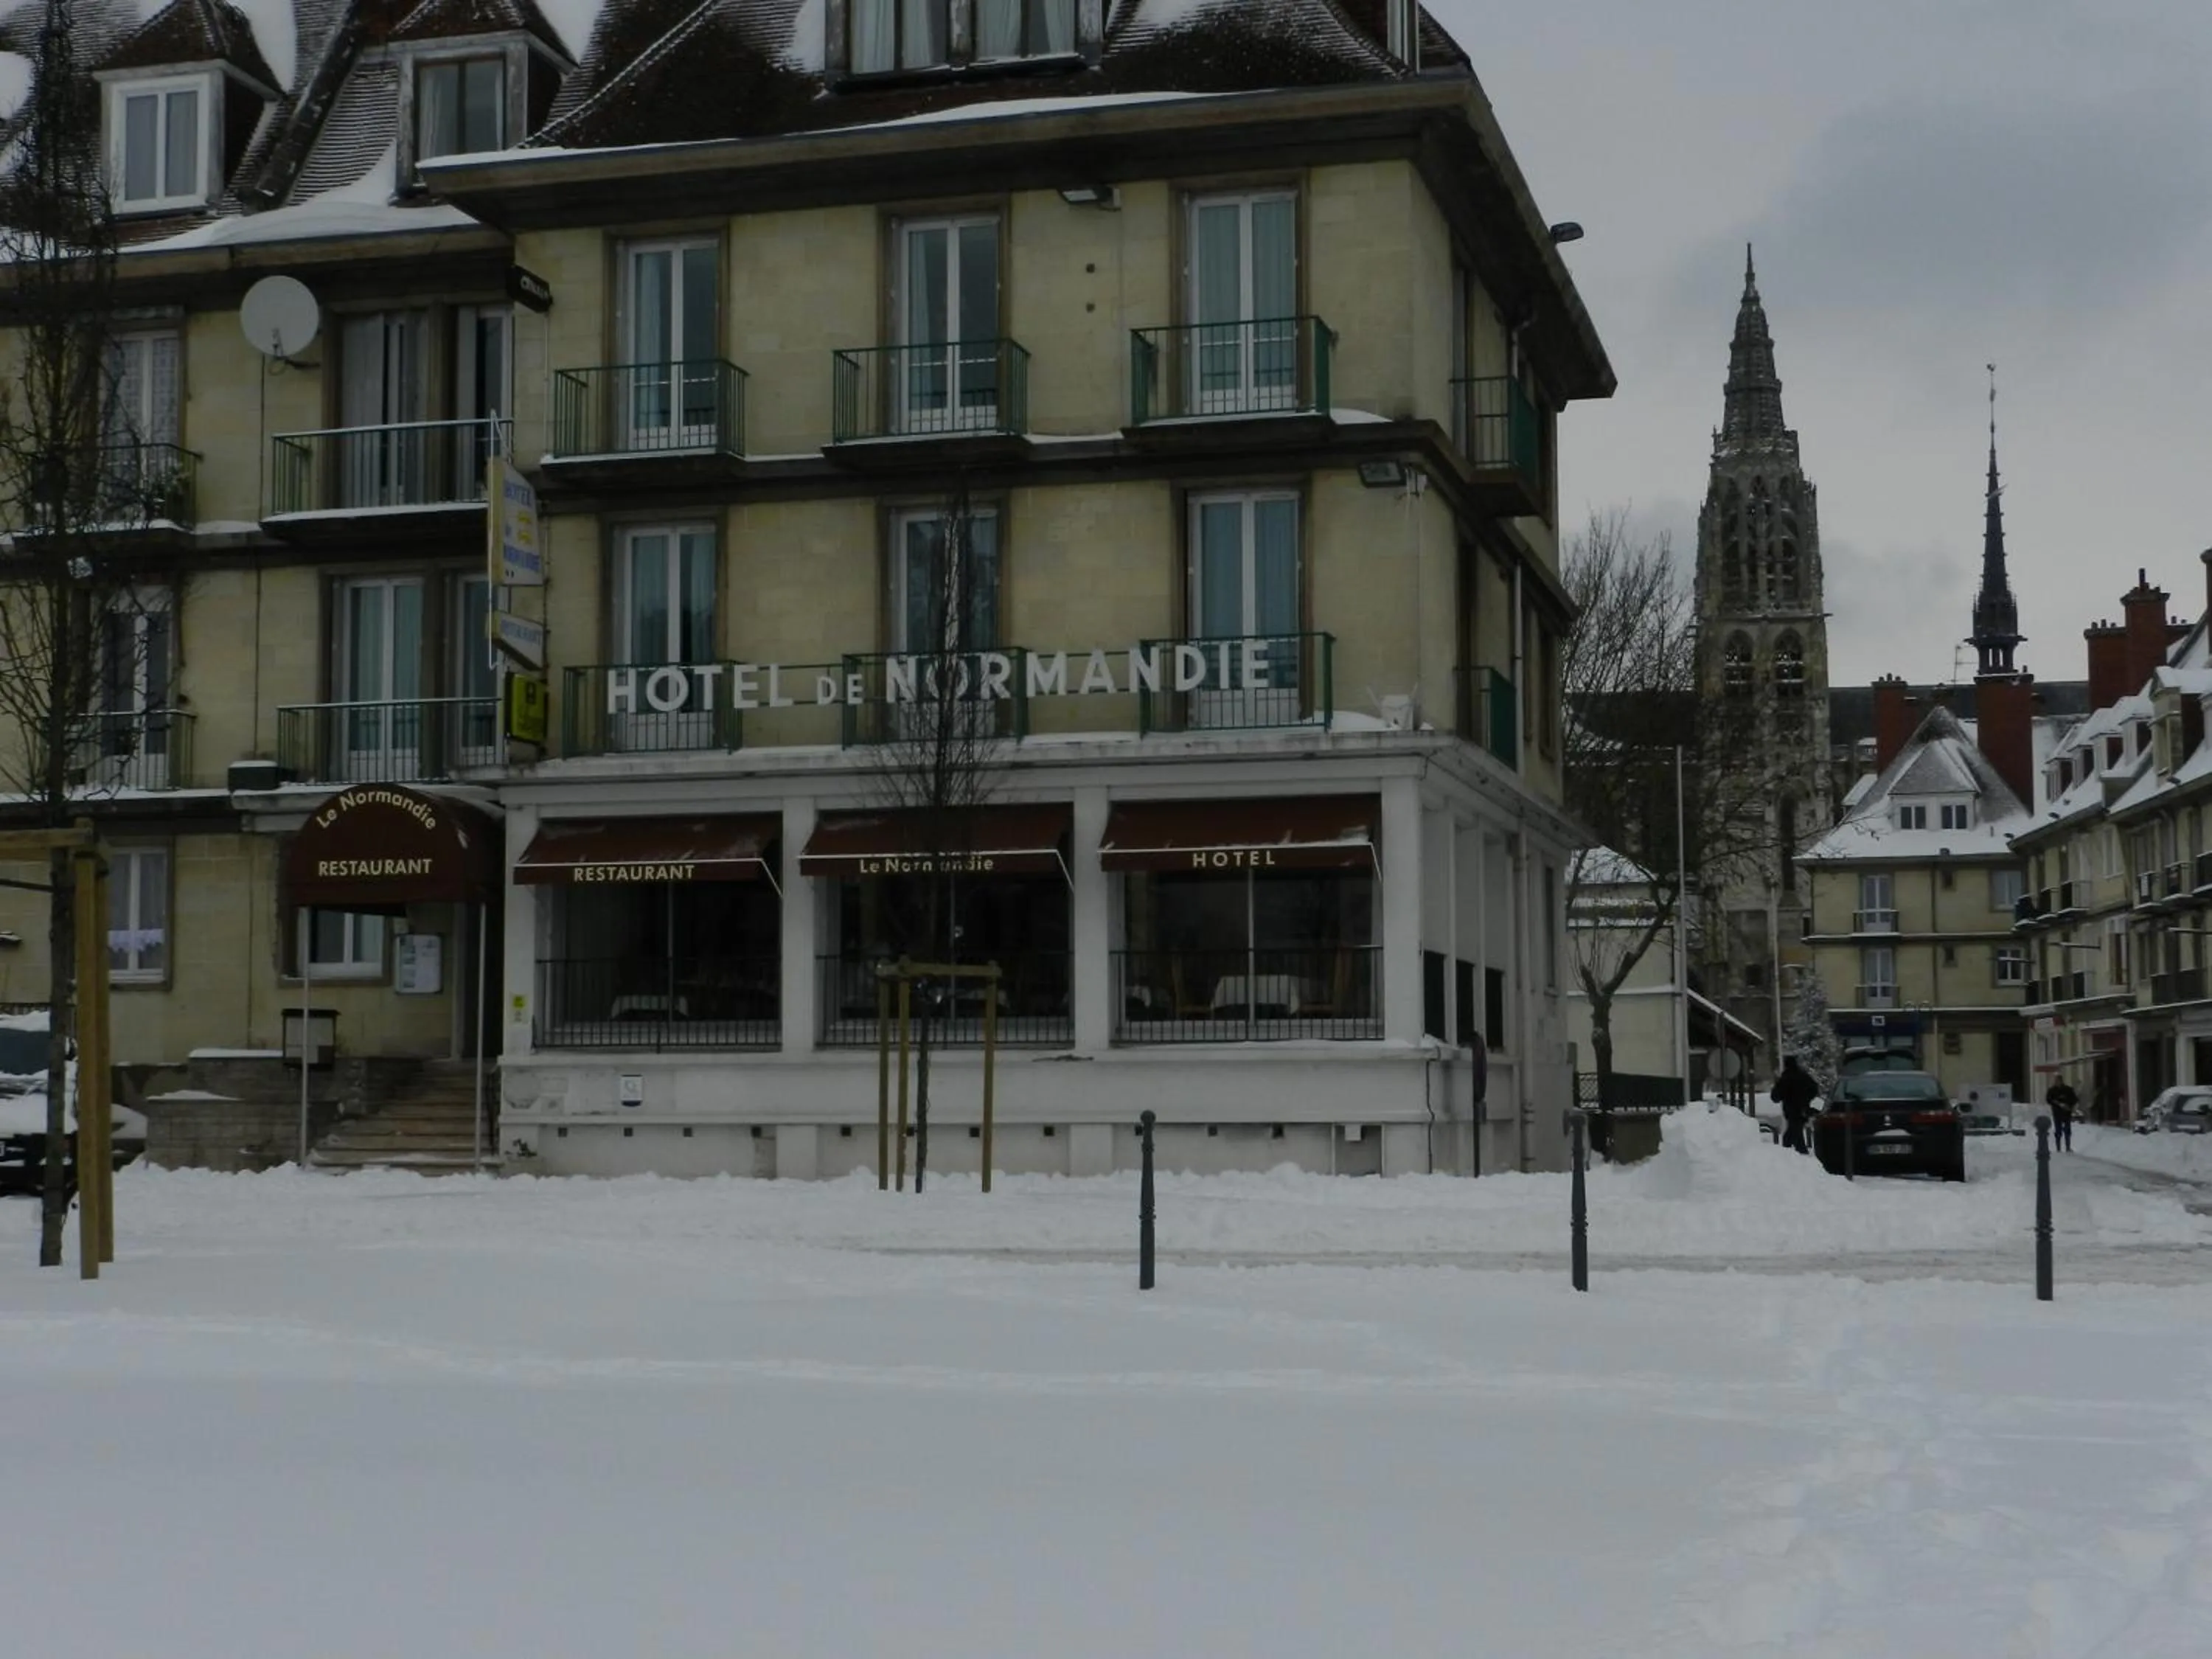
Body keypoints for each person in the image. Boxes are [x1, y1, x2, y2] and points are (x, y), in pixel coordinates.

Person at [1771, 1054, 1819, 1154]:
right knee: (1794, 1133)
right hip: (1802, 1109)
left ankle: (1791, 1154)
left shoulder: (1786, 1078)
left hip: (1791, 1110)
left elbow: (1775, 1096)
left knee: (1792, 1134)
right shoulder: (1804, 1076)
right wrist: (1806, 1099)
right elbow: (1814, 1089)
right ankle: (1793, 1154)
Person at [2048, 1079, 2078, 1152]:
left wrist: (2070, 1106)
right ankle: (2058, 1148)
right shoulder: (2052, 1090)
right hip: (2057, 1113)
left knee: (2067, 1130)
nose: (2057, 1083)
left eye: (2058, 1081)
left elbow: (2074, 1099)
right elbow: (2049, 1099)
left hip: (2066, 1112)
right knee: (2058, 1130)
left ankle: (2067, 1147)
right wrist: (2057, 1103)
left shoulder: (2068, 1090)